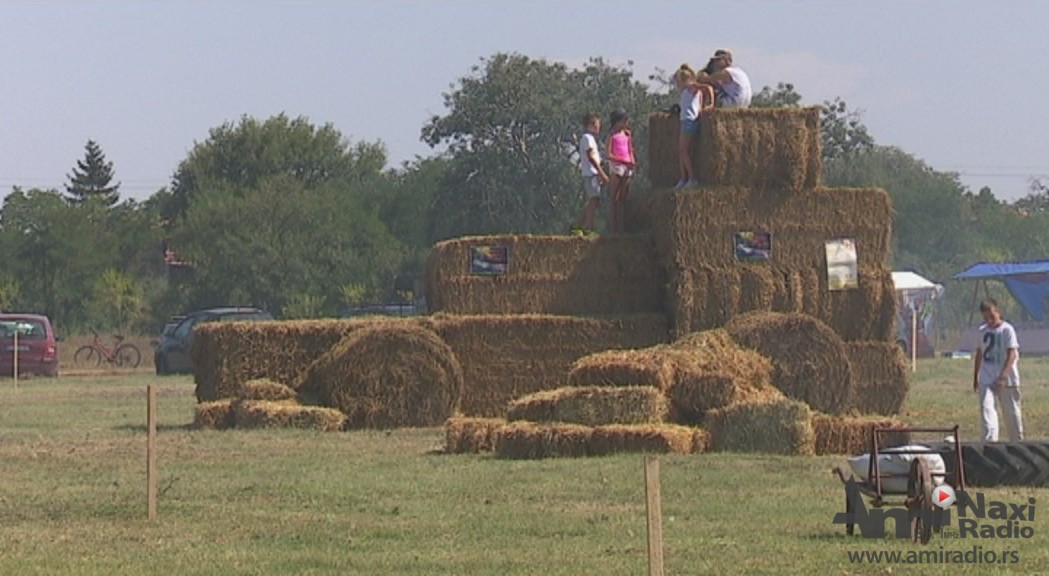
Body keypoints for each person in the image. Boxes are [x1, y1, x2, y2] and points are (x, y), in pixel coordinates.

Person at [973, 299, 1024, 442]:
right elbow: (979, 354)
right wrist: (976, 377)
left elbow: (1012, 354)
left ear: (998, 312)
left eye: (992, 317)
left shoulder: (1007, 330)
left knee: (1011, 415)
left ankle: (1017, 445)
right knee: (987, 411)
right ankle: (990, 444)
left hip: (1007, 380)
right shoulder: (982, 331)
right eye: (985, 318)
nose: (989, 321)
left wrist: (1003, 376)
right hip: (987, 378)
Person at [573, 112, 608, 236]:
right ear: (591, 124)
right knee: (594, 199)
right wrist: (601, 173)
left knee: (594, 200)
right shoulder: (587, 138)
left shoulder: (591, 139)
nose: (599, 127)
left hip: (593, 173)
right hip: (591, 173)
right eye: (598, 124)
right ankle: (587, 227)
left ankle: (580, 225)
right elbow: (591, 157)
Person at [605, 109, 636, 234]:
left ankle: (622, 228)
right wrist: (623, 161)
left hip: (627, 167)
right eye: (624, 120)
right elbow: (608, 154)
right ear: (617, 121)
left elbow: (630, 150)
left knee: (623, 198)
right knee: (614, 198)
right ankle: (613, 228)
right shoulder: (611, 135)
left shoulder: (627, 135)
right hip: (617, 166)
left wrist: (632, 163)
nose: (626, 123)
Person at [673, 65, 704, 189]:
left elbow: (706, 88)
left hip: (689, 120)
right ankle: (683, 178)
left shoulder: (692, 87)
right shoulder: (686, 91)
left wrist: (710, 103)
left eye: (678, 81)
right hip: (684, 120)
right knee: (681, 151)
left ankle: (692, 178)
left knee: (684, 151)